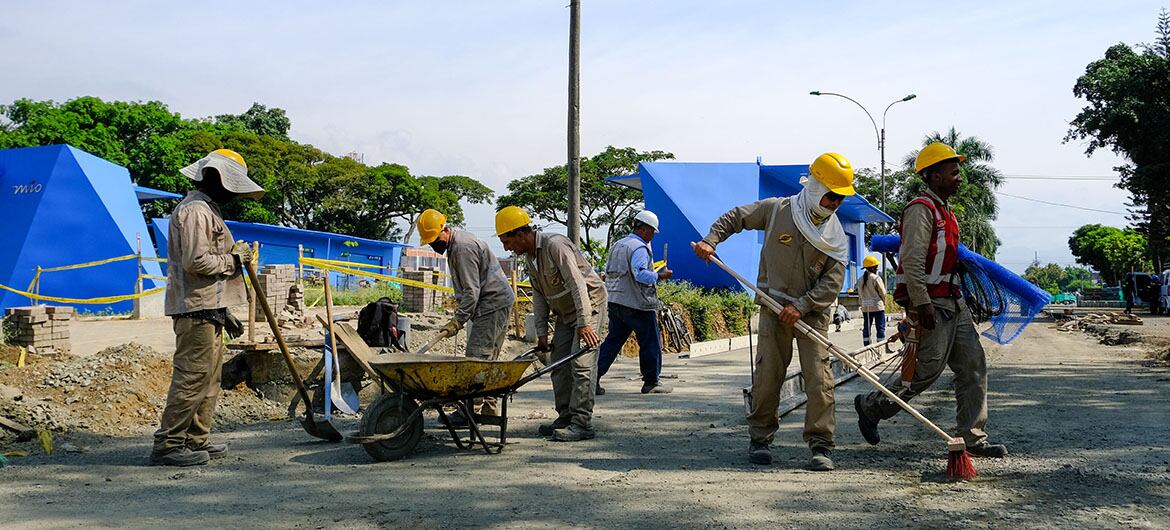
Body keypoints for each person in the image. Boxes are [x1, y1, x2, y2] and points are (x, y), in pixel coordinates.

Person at [694, 152, 854, 472]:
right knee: (768, 376)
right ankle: (760, 439)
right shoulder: (777, 210)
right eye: (831, 195)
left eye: (840, 198)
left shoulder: (835, 238)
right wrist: (711, 240)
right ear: (816, 188)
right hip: (772, 308)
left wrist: (802, 306)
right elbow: (736, 217)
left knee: (819, 379)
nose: (835, 203)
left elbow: (832, 283)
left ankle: (821, 444)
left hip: (811, 314)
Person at [855, 142, 1008, 459]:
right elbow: (911, 260)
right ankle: (872, 407)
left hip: (954, 302)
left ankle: (972, 438)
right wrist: (922, 302)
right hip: (932, 304)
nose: (959, 177)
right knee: (924, 373)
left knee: (974, 367)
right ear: (935, 175)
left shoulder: (946, 212)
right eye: (954, 172)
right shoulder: (920, 210)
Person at [151, 149, 263, 467]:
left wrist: (223, 310)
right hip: (194, 311)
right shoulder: (196, 211)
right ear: (216, 179)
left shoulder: (207, 210)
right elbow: (196, 261)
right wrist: (234, 259)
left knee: (209, 380)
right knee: (191, 378)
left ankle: (195, 439)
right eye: (232, 186)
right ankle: (169, 444)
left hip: (207, 309)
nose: (234, 194)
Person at [496, 206, 607, 441]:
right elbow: (539, 296)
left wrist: (585, 323)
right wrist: (542, 333)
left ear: (520, 234)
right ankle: (566, 416)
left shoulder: (555, 245)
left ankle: (582, 423)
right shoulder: (530, 258)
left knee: (581, 364)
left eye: (507, 241)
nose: (506, 248)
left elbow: (577, 284)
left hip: (589, 307)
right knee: (558, 363)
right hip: (565, 313)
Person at [416, 209, 515, 419]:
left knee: (476, 358)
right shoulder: (456, 245)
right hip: (493, 302)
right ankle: (489, 408)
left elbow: (471, 290)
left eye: (435, 240)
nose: (434, 246)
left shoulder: (462, 248)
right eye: (430, 243)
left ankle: (468, 411)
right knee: (488, 359)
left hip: (492, 303)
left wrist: (457, 321)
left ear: (445, 230)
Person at [596, 210, 674, 395]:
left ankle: (591, 378)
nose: (653, 235)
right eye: (652, 231)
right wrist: (659, 276)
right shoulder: (639, 248)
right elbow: (640, 273)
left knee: (613, 341)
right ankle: (651, 382)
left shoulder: (618, 245)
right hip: (636, 303)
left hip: (615, 300)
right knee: (650, 341)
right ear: (645, 229)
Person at [854, 255, 887, 346]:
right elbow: (883, 293)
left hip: (866, 307)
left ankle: (867, 347)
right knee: (880, 328)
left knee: (866, 328)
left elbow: (860, 294)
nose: (877, 268)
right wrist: (884, 302)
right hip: (877, 306)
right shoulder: (876, 278)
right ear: (872, 267)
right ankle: (880, 346)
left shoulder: (860, 280)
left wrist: (862, 304)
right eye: (876, 266)